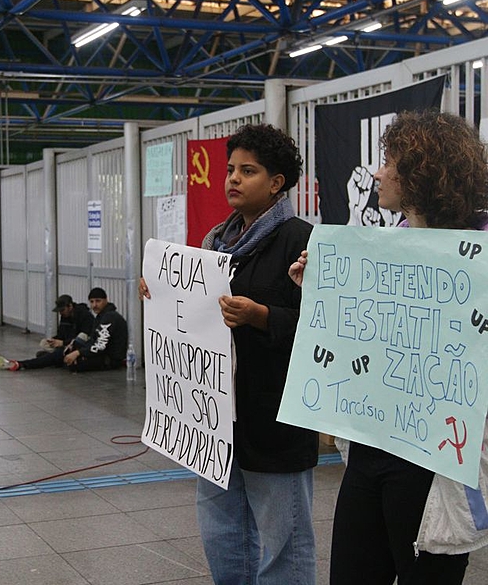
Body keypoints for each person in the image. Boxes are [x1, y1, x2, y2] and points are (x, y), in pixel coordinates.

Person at [290, 110, 488, 585]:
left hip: (436, 456)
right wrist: (316, 289)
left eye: (389, 161)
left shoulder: (477, 253)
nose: (377, 172)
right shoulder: (378, 248)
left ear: (421, 173)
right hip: (372, 443)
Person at [139, 123, 316, 584]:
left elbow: (322, 334)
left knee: (284, 544)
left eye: (249, 171)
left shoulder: (302, 241)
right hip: (215, 420)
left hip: (275, 419)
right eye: (231, 169)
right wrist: (160, 293)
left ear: (277, 183)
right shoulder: (215, 245)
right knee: (223, 534)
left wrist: (261, 316)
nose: (233, 179)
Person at [0, 293, 94, 370]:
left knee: (54, 355)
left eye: (63, 310)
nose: (61, 313)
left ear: (70, 306)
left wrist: (63, 343)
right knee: (45, 346)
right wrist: (54, 341)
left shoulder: (85, 316)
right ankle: (53, 359)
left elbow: (84, 338)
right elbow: (61, 334)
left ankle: (21, 364)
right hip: (66, 345)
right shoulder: (65, 317)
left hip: (79, 347)